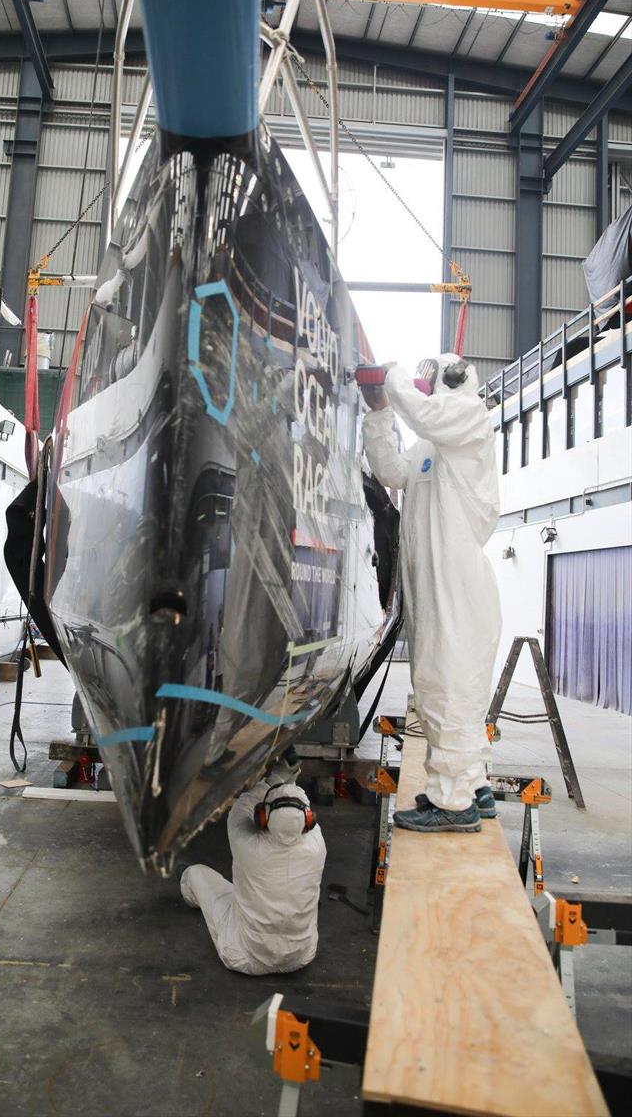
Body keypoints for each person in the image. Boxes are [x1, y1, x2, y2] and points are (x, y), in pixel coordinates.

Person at [360, 354, 501, 832]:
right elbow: (391, 472)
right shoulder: (431, 445)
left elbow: (424, 411)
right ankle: (473, 786)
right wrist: (377, 409)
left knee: (449, 688)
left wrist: (392, 374)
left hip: (456, 588)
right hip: (434, 588)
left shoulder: (468, 417)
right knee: (443, 686)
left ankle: (453, 803)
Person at [180, 761, 326, 974]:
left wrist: (272, 781)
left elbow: (242, 806)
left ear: (262, 818)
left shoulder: (246, 843)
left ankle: (188, 894)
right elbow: (296, 815)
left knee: (196, 872)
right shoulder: (316, 846)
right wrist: (289, 781)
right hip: (301, 956)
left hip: (244, 956)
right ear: (308, 821)